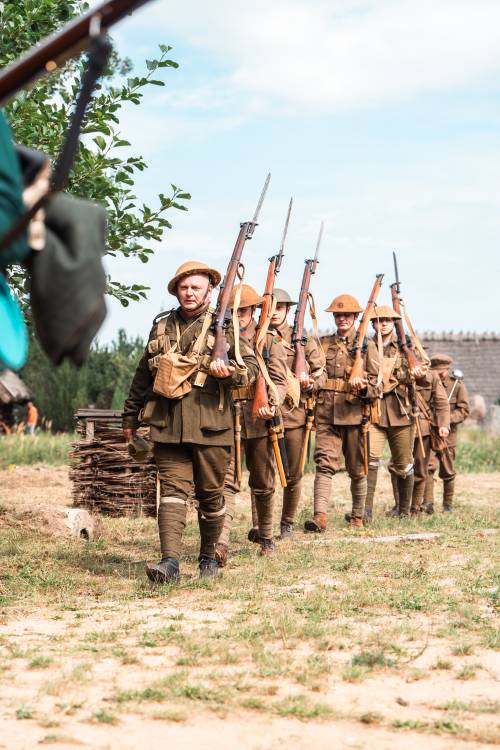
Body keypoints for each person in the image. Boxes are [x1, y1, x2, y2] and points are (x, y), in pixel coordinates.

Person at [122, 262, 258, 582]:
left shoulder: (224, 328)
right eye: (184, 288)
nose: (190, 293)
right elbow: (142, 376)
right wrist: (129, 416)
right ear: (176, 291)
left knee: (211, 495)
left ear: (209, 291)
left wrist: (231, 372)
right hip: (167, 424)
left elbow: (251, 369)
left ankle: (208, 557)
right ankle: (169, 563)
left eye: (196, 287)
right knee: (171, 492)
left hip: (212, 426)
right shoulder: (161, 327)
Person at [215, 283, 288, 564]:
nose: (240, 315)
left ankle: (267, 537)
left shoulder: (268, 340)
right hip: (225, 417)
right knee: (227, 482)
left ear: (254, 310)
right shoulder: (220, 338)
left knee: (263, 481)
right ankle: (221, 543)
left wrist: (273, 400)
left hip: (260, 420)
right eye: (235, 311)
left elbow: (281, 382)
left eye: (244, 310)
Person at [304, 294, 381, 531]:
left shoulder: (368, 346)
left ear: (356, 317)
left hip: (355, 415)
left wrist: (364, 386)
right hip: (327, 413)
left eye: (347, 315)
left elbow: (378, 386)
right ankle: (320, 517)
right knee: (324, 464)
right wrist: (310, 383)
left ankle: (357, 516)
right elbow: (319, 375)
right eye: (338, 315)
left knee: (358, 468)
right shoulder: (324, 344)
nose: (342, 319)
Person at [267, 288, 324, 539]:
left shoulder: (302, 340)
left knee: (294, 474)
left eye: (279, 308)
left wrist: (310, 382)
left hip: (294, 416)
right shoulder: (259, 337)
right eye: (270, 308)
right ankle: (262, 526)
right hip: (265, 414)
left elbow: (322, 374)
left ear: (288, 310)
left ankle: (287, 523)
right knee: (263, 475)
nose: (274, 313)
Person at [363, 305, 427, 520]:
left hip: (401, 413)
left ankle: (404, 511)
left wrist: (414, 372)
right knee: (370, 461)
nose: (382, 325)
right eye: (378, 322)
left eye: (386, 322)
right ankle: (366, 511)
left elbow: (424, 376)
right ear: (372, 324)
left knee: (404, 464)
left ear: (393, 324)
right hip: (375, 412)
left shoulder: (407, 347)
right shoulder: (366, 346)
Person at [389, 368, 450, 515]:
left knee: (420, 469)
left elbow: (442, 402)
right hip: (399, 424)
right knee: (398, 467)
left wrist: (443, 424)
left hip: (421, 428)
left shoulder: (431, 375)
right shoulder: (396, 369)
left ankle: (415, 508)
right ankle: (400, 506)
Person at [423, 354, 470, 513]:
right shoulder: (427, 382)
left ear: (447, 369)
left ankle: (447, 505)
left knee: (447, 469)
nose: (438, 374)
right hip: (429, 432)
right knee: (428, 467)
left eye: (441, 372)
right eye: (435, 371)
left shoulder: (457, 386)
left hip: (447, 435)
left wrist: (446, 419)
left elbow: (464, 411)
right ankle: (428, 503)